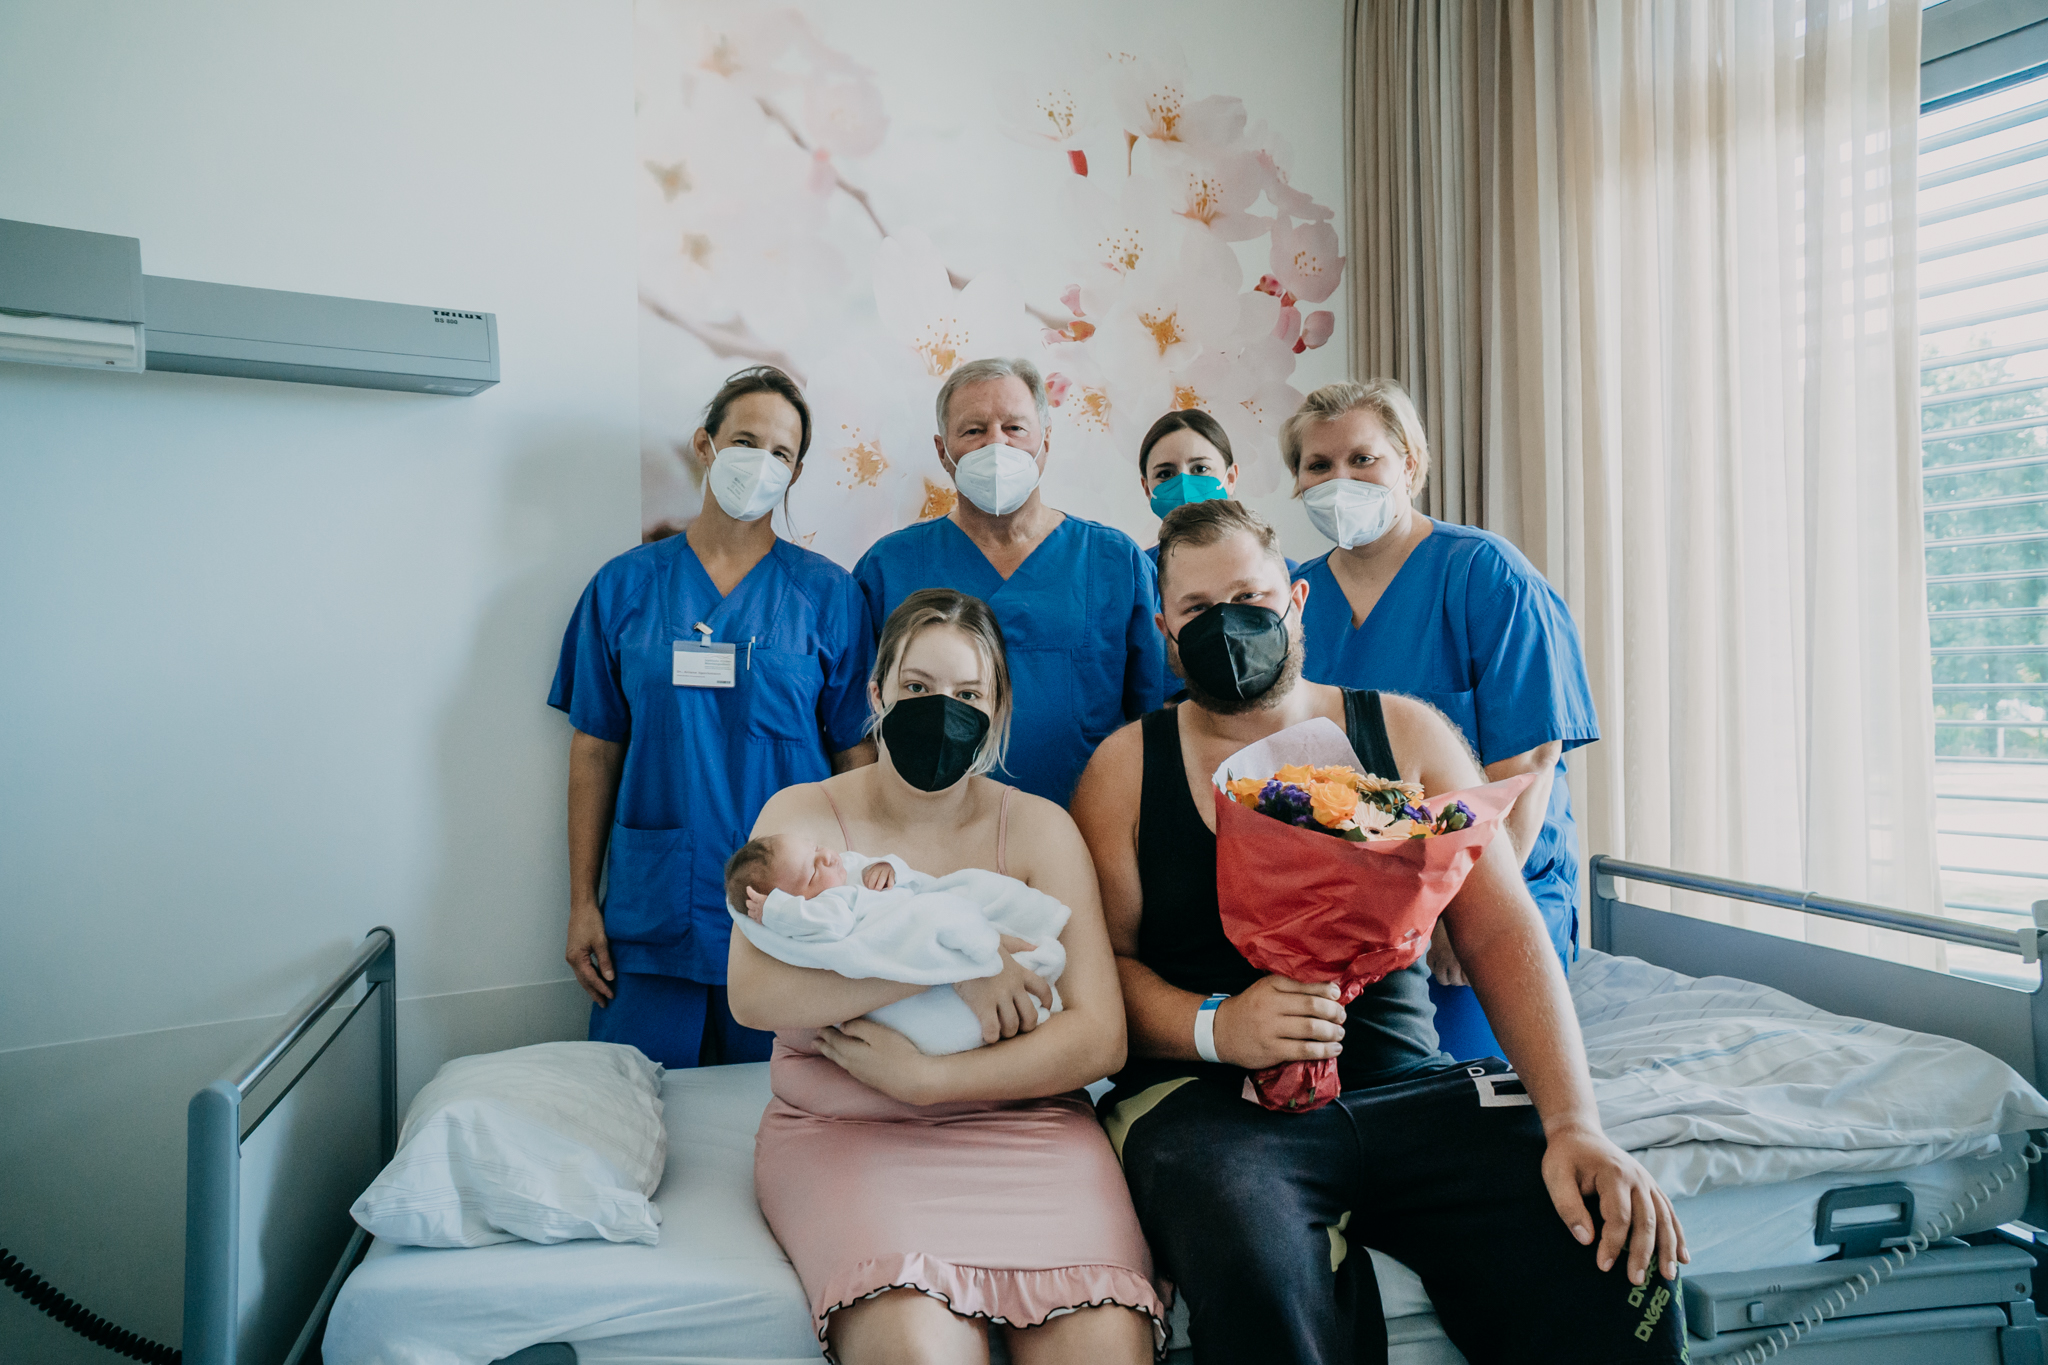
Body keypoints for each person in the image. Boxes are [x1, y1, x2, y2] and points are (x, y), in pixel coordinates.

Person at [1070, 500, 1686, 1365]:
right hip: (1206, 1109)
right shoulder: (1124, 770)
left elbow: (1501, 934)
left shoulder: (1407, 733)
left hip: (1405, 1084)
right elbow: (1103, 972)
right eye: (1199, 610)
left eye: (1249, 598)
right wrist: (1221, 1025)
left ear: (1296, 602)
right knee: (1254, 1267)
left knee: (1603, 1236)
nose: (1227, 626)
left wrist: (1574, 1121)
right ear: (1167, 631)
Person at [730, 589, 1163, 1365]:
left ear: (997, 709)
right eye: (918, 686)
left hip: (1030, 1133)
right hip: (849, 1132)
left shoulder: (1039, 828)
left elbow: (1100, 1037)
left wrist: (930, 1080)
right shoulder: (804, 819)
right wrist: (958, 961)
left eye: (968, 693)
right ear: (877, 693)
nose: (942, 710)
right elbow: (754, 994)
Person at [548, 365, 876, 1069]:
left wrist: (864, 898)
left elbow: (857, 757)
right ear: (705, 444)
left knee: (779, 1108)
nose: (761, 464)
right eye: (745, 442)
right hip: (653, 913)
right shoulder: (624, 587)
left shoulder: (829, 596)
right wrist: (581, 902)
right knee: (626, 1100)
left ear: (795, 473)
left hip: (795, 913)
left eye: (781, 453)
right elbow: (595, 749)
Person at [1286, 380, 1597, 1061]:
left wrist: (1469, 912)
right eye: (1319, 465)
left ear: (1409, 464)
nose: (1340, 480)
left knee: (1451, 1081)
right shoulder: (1296, 598)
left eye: (1363, 459)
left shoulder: (1487, 576)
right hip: (1358, 910)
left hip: (1491, 888)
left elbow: (1529, 764)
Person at [854, 357, 1164, 806]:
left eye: (1015, 428)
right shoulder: (891, 567)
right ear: (943, 452)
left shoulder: (1113, 562)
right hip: (929, 827)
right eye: (973, 431)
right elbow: (858, 727)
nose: (996, 444)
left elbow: (1155, 714)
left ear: (1046, 441)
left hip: (1086, 822)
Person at [1135, 407, 1295, 580]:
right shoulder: (1136, 577)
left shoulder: (1282, 575)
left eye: (1200, 469)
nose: (1184, 485)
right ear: (1147, 489)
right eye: (1165, 474)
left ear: (1231, 478)